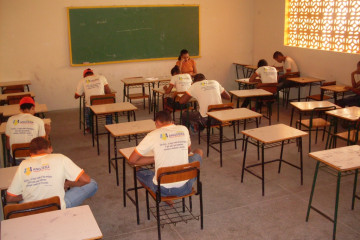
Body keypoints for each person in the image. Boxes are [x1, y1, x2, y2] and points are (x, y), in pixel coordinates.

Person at [6, 137, 98, 209]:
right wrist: (67, 183)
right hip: (55, 208)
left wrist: (30, 194)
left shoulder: (23, 164)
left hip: (31, 209)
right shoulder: (60, 158)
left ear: (30, 153)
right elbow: (86, 180)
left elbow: (9, 198)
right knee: (92, 183)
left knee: (23, 201)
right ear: (50, 149)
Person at [129, 111, 203, 197]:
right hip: (186, 188)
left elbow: (132, 160)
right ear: (172, 121)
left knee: (138, 169)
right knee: (198, 151)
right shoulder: (183, 129)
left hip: (162, 190)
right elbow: (187, 151)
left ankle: (163, 197)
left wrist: (156, 158)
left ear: (156, 123)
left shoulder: (152, 135)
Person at [6, 97, 50, 164]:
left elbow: (8, 146)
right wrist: (47, 132)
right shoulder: (39, 121)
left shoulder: (10, 120)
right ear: (32, 108)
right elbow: (43, 147)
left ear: (20, 109)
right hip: (33, 159)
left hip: (16, 159)